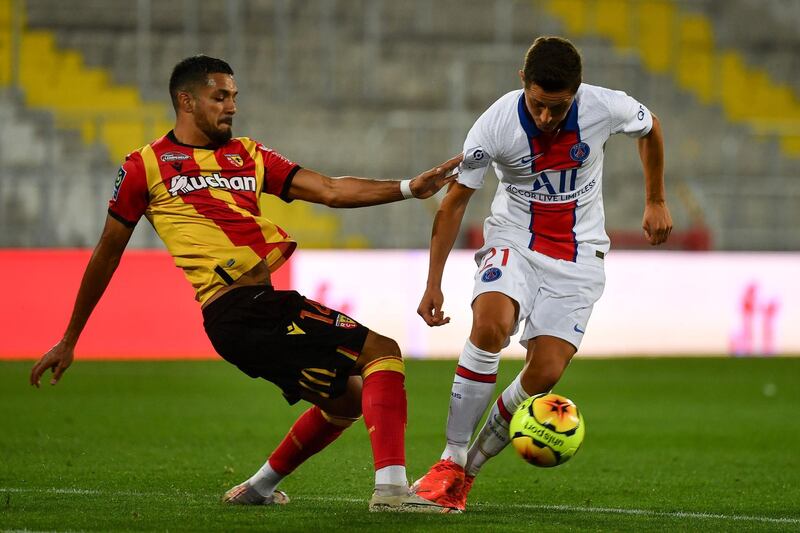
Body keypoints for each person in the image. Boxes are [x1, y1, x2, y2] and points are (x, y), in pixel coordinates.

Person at [29, 55, 462, 513]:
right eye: (220, 97)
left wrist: (409, 187)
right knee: (383, 352)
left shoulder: (249, 154)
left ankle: (259, 487)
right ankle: (392, 493)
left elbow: (331, 190)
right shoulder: (146, 166)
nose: (231, 106)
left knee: (347, 402)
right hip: (238, 307)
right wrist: (70, 336)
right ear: (186, 101)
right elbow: (108, 251)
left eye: (234, 96)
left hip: (254, 311)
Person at [412, 36, 672, 511]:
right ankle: (448, 459)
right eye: (538, 105)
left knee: (546, 371)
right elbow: (453, 204)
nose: (547, 118)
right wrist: (434, 283)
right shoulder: (494, 125)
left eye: (559, 107)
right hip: (515, 239)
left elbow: (651, 126)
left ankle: (466, 473)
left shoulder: (604, 106)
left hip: (579, 256)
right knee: (490, 326)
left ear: (577, 92)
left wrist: (654, 198)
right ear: (522, 83)